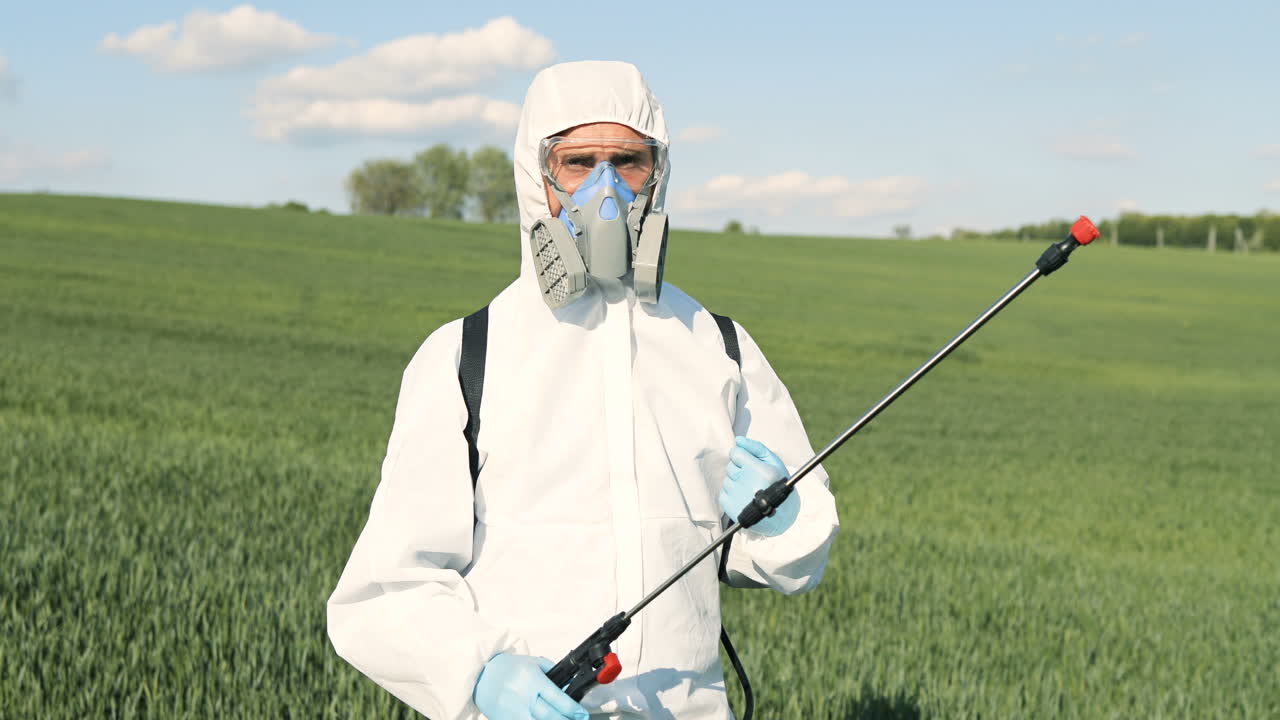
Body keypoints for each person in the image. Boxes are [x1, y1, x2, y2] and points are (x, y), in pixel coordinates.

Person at [327, 60, 839, 720]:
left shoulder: (718, 347)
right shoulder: (465, 356)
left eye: (628, 161)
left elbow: (795, 564)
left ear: (658, 174)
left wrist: (785, 522)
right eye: (578, 162)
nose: (607, 188)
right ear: (538, 178)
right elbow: (385, 587)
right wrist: (479, 672)